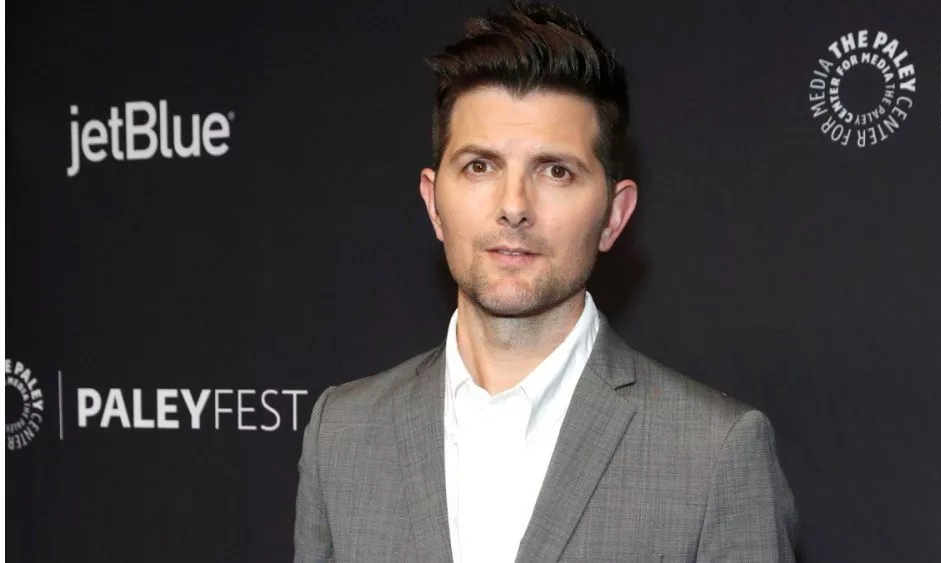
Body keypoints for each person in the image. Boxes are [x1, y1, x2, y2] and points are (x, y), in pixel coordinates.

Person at [294, 2, 797, 561]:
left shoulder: (714, 454)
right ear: (434, 204)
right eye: (480, 166)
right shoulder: (341, 435)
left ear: (614, 215)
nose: (514, 207)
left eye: (556, 171)